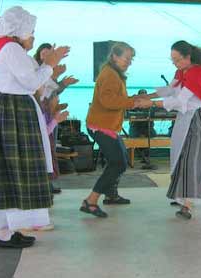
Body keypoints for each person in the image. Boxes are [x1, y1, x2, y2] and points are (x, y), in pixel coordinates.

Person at [0, 6, 69, 248]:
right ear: (20, 30)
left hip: (1, 110)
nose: (33, 37)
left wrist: (49, 66)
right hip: (11, 112)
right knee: (17, 167)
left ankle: (6, 230)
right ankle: (6, 232)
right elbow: (31, 82)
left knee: (5, 170)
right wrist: (50, 63)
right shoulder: (11, 48)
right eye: (32, 32)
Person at [141, 40, 201, 219]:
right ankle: (182, 196)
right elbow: (171, 90)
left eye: (177, 60)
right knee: (179, 155)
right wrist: (148, 96)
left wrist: (151, 103)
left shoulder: (198, 72)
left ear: (188, 57)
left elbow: (180, 100)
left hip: (199, 119)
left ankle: (188, 203)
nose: (175, 64)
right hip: (186, 118)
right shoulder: (182, 71)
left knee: (192, 159)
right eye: (173, 60)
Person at [81, 41, 149, 218]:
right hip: (101, 126)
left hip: (107, 126)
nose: (129, 62)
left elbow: (115, 98)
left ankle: (111, 194)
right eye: (126, 58)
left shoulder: (113, 73)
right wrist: (132, 102)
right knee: (118, 163)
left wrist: (134, 98)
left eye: (131, 59)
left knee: (121, 160)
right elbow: (108, 101)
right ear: (114, 57)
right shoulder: (110, 74)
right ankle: (91, 200)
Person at [34, 43, 79, 194]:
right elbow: (42, 93)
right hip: (41, 113)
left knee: (51, 147)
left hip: (50, 113)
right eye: (43, 53)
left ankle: (50, 181)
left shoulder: (48, 71)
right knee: (43, 147)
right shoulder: (36, 70)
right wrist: (59, 80)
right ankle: (44, 182)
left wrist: (62, 85)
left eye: (49, 53)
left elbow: (52, 92)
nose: (46, 55)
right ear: (39, 55)